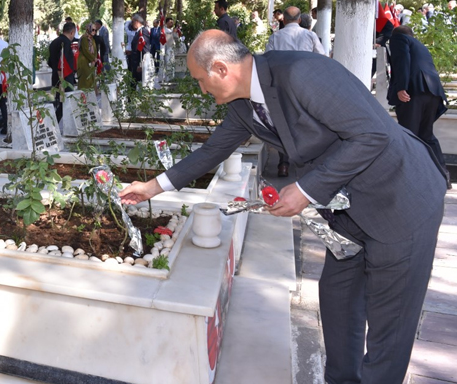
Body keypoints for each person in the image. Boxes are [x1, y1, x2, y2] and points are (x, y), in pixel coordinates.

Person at [119, 29, 447, 384]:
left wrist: (305, 189)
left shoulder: (303, 72)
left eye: (201, 81)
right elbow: (213, 151)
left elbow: (373, 134)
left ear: (220, 69)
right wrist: (151, 187)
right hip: (349, 216)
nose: (202, 90)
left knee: (388, 332)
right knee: (338, 306)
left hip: (399, 202)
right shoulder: (244, 105)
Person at [265, 6, 326, 177]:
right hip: (306, 85)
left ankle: (283, 164)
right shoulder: (310, 35)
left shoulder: (275, 37)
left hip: (282, 85)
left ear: (283, 19)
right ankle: (306, 164)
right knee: (307, 123)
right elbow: (321, 59)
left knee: (283, 123)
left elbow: (267, 61)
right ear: (300, 20)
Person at [387, 25, 450, 187]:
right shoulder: (419, 45)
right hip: (433, 92)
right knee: (426, 134)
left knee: (409, 135)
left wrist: (402, 87)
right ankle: (443, 175)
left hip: (414, 91)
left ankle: (407, 177)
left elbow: (402, 61)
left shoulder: (398, 39)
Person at [48, 21, 77, 122]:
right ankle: (55, 122)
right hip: (65, 78)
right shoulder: (66, 43)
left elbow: (49, 61)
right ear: (72, 32)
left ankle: (55, 122)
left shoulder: (54, 42)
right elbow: (68, 64)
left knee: (58, 101)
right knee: (65, 102)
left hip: (56, 76)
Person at [126, 13, 150, 87]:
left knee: (136, 83)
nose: (132, 24)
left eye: (132, 22)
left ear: (137, 22)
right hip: (134, 62)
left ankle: (133, 97)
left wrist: (141, 64)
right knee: (134, 83)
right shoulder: (138, 32)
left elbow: (145, 48)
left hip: (138, 63)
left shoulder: (143, 31)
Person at [77, 22, 98, 91]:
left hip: (91, 61)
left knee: (91, 79)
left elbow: (95, 50)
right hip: (84, 61)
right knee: (85, 80)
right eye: (92, 30)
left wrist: (94, 59)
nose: (94, 32)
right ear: (88, 29)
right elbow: (85, 50)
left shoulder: (92, 39)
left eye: (95, 30)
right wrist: (93, 58)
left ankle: (90, 98)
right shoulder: (84, 38)